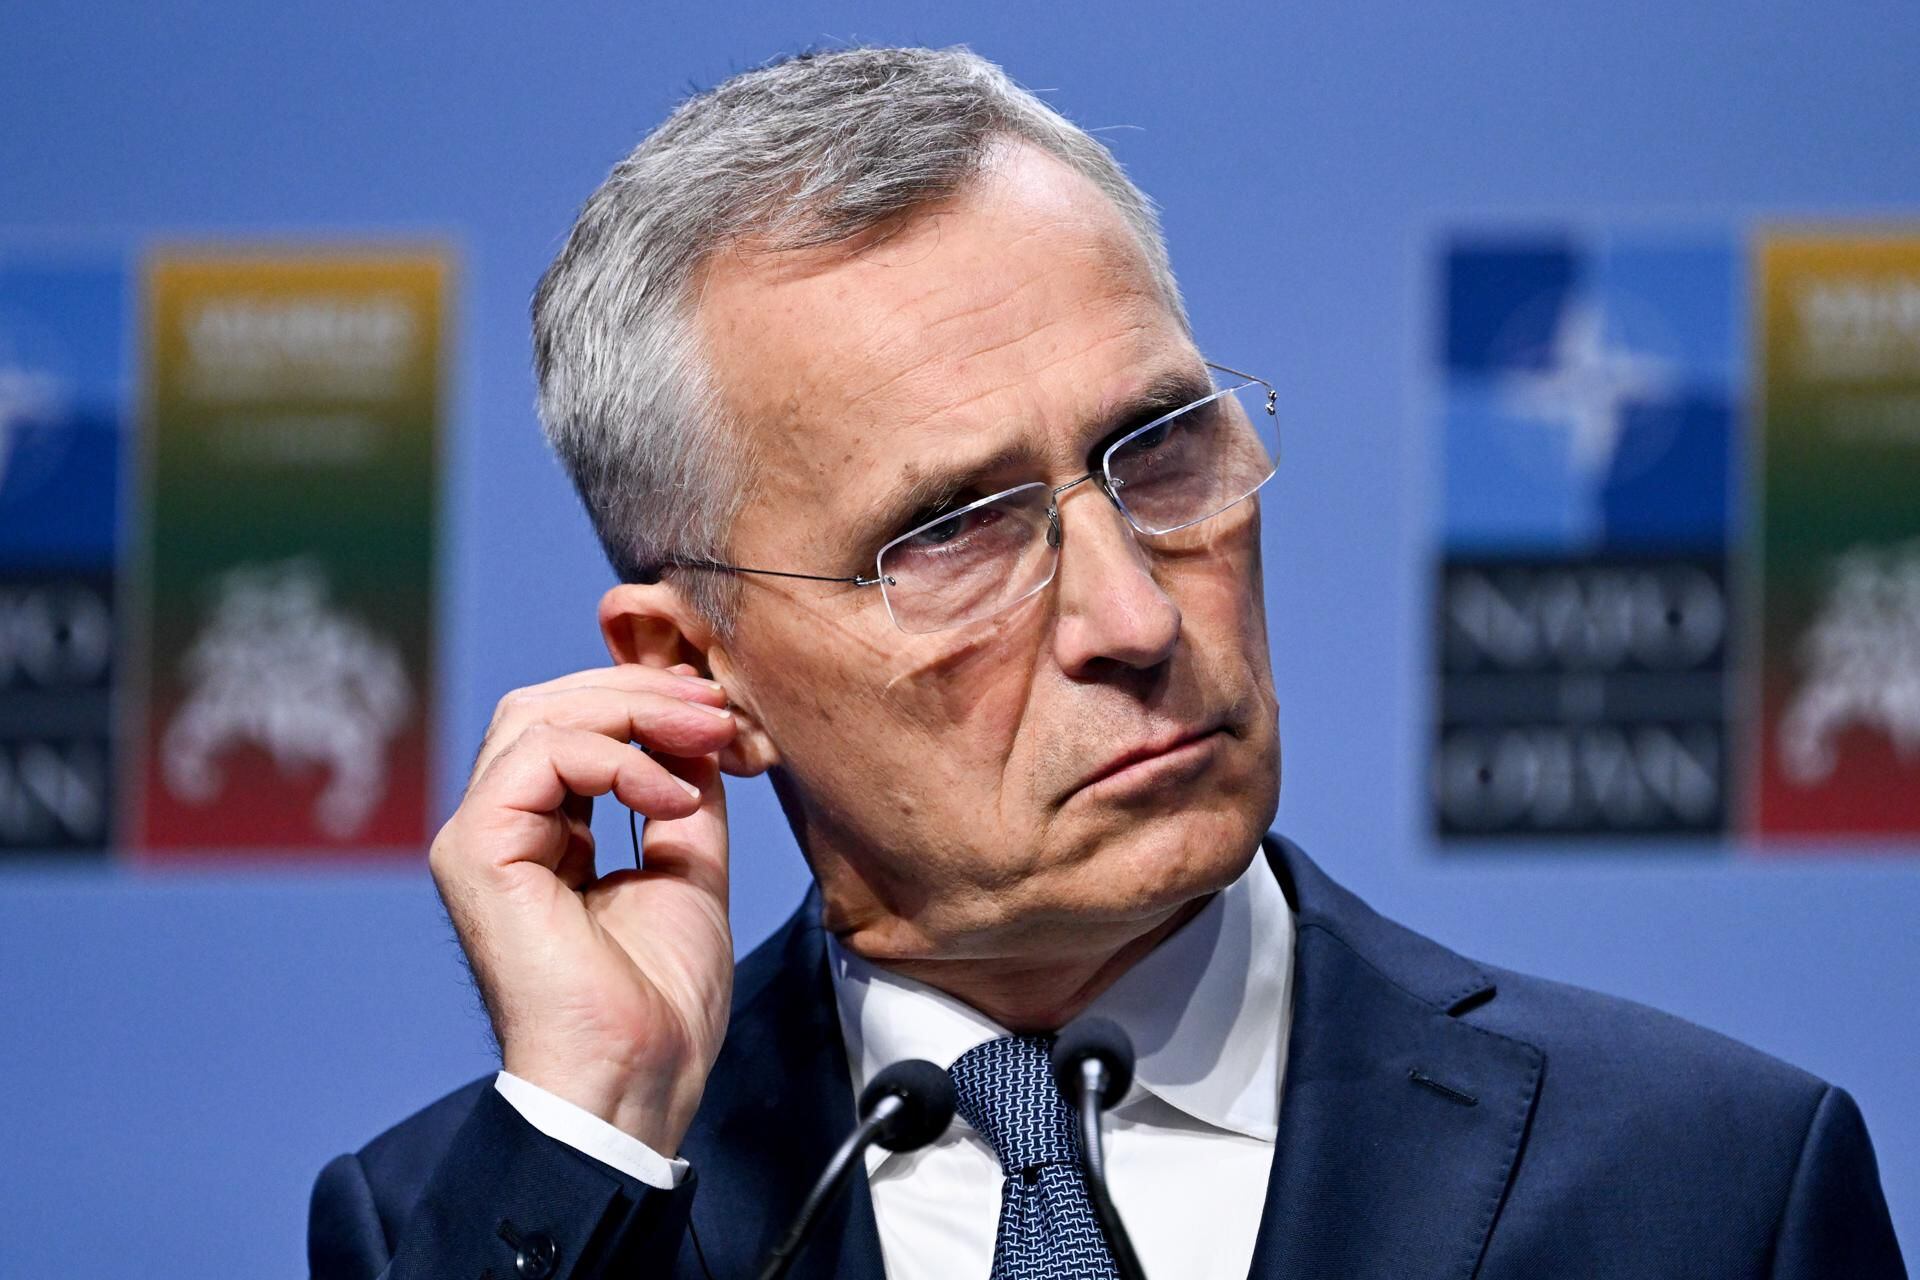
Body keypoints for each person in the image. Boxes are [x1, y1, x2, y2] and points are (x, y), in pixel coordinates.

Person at [306, 45, 1906, 1280]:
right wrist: (604, 1111)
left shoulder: (1705, 1185)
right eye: (950, 533)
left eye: (1162, 447)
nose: (1135, 620)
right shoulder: (491, 1213)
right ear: (691, 661)